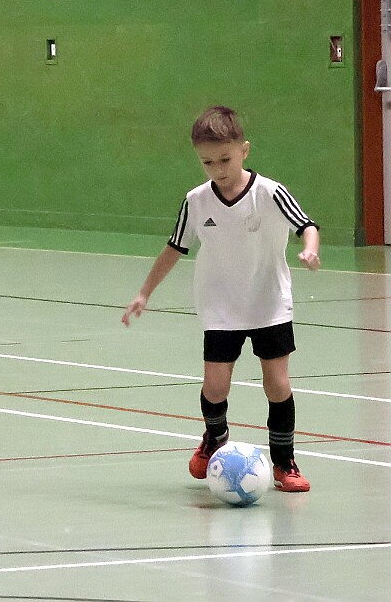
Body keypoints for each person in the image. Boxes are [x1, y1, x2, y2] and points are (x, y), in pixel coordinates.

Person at [122, 105, 319, 492]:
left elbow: (306, 225)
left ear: (244, 150)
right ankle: (215, 437)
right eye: (207, 162)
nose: (217, 169)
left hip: (269, 303)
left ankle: (285, 463)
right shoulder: (196, 201)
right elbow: (174, 248)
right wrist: (144, 293)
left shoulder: (269, 192)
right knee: (215, 387)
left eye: (225, 159)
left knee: (277, 385)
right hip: (220, 307)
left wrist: (310, 250)